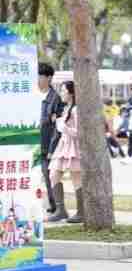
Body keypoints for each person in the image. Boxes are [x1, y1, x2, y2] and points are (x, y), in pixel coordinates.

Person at [47, 81, 83, 223]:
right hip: (63, 145)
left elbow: (80, 132)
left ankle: (81, 212)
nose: (61, 93)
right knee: (53, 174)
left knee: (76, 178)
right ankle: (61, 210)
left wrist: (64, 128)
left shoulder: (76, 110)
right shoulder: (67, 108)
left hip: (74, 146)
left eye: (63, 90)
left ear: (71, 92)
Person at [38, 63, 64, 214]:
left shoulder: (55, 98)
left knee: (48, 174)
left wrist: (52, 148)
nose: (38, 79)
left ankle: (54, 205)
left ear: (49, 78)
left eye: (40, 76)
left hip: (46, 142)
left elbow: (58, 125)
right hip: (31, 140)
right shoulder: (31, 93)